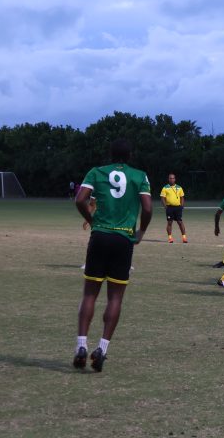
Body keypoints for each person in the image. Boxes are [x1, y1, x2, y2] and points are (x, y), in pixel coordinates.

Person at [73, 139, 152, 372]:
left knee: (90, 294)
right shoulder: (140, 175)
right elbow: (147, 208)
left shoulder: (97, 172)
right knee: (115, 297)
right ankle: (102, 349)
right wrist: (142, 231)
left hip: (100, 237)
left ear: (110, 154)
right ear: (130, 156)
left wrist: (92, 220)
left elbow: (80, 199)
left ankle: (81, 346)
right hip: (124, 239)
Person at [160, 173, 187, 243]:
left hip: (178, 207)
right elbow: (162, 197)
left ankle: (184, 237)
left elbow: (182, 197)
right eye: (170, 178)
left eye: (173, 178)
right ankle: (170, 238)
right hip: (169, 208)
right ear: (168, 179)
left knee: (180, 222)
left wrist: (182, 206)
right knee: (169, 222)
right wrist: (165, 206)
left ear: (175, 179)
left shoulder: (179, 187)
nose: (171, 179)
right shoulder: (165, 188)